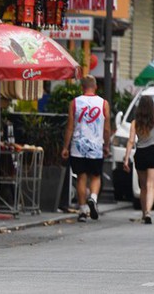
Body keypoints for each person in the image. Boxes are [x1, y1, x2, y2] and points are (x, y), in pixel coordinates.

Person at [61, 75, 111, 222]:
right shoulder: (103, 103)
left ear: (82, 87)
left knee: (81, 177)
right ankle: (93, 198)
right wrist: (106, 145)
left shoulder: (75, 103)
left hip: (78, 147)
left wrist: (65, 147)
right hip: (96, 146)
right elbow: (107, 128)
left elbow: (70, 127)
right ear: (95, 87)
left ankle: (82, 211)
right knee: (95, 176)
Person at [122, 95, 154, 224]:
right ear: (152, 108)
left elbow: (130, 141)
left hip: (141, 154)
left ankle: (144, 212)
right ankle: (148, 212)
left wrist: (126, 159)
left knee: (143, 186)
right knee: (151, 185)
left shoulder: (135, 123)